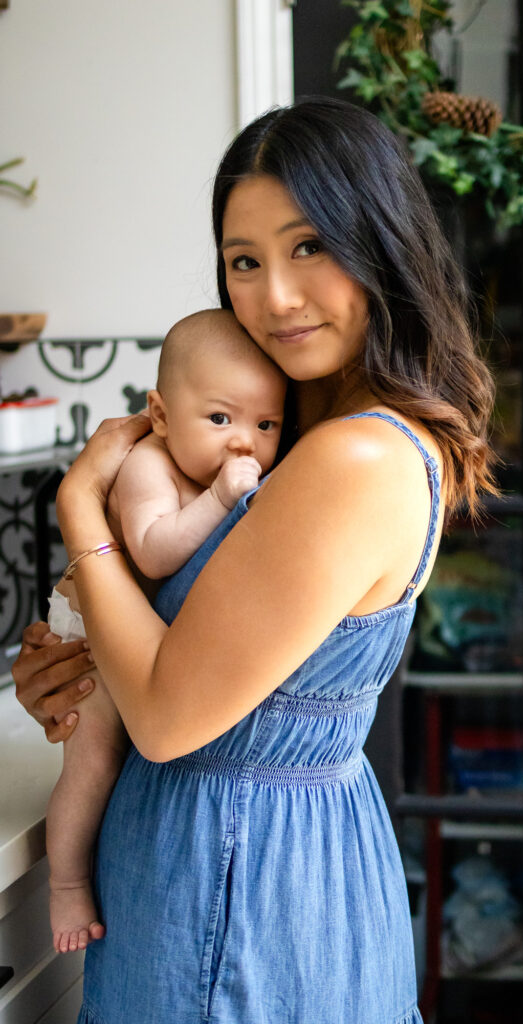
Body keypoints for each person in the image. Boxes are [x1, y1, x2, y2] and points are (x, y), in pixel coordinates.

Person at [13, 96, 496, 1023]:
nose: (274, 295)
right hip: (247, 866)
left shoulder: (354, 456)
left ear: (381, 241)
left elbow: (163, 718)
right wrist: (72, 680)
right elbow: (172, 657)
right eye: (245, 261)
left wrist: (79, 510)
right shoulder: (287, 425)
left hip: (238, 886)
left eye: (309, 245)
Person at [45, 308, 286, 954]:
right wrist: (218, 501)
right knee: (96, 759)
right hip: (91, 624)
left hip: (140, 634)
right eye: (220, 419)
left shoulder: (222, 468)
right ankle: (66, 882)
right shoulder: (150, 466)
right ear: (159, 414)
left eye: (266, 425)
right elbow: (152, 553)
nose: (244, 443)